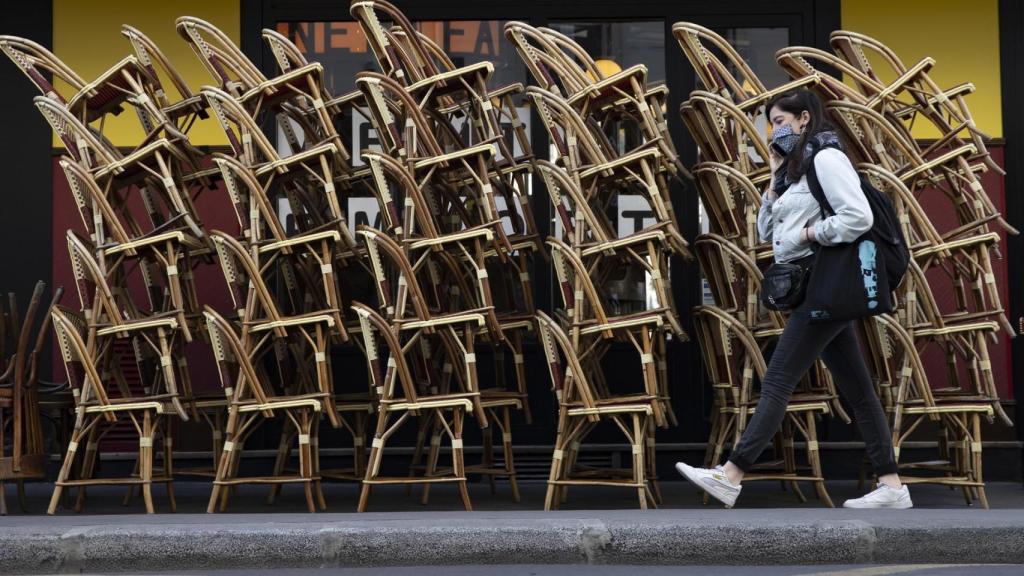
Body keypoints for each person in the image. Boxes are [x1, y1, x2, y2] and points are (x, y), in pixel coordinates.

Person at [676, 89, 911, 509]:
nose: (774, 130)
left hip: (826, 284)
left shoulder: (826, 158)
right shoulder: (794, 170)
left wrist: (810, 234)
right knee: (858, 390)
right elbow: (767, 234)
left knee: (779, 380)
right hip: (816, 287)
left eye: (781, 121)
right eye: (771, 123)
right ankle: (892, 486)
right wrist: (773, 175)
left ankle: (731, 474)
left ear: (804, 119)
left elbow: (859, 216)